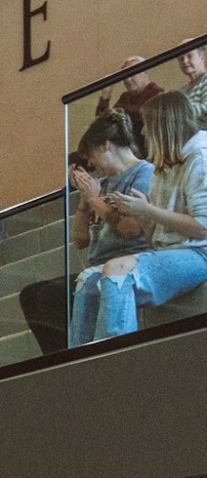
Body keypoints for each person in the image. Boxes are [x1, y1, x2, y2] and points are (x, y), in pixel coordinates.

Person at [78, 92, 207, 343]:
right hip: (171, 252)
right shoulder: (163, 166)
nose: (144, 132)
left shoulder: (200, 158)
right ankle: (78, 370)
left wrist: (147, 211)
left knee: (117, 271)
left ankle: (116, 366)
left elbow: (203, 228)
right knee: (88, 279)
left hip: (201, 253)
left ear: (163, 124)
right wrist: (141, 213)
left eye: (147, 124)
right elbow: (154, 238)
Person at [49, 112, 154, 351]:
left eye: (92, 156)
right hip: (98, 261)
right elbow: (80, 240)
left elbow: (132, 230)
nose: (92, 164)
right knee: (36, 295)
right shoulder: (102, 181)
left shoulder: (142, 173)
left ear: (106, 146)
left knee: (62, 294)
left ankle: (86, 357)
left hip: (126, 260)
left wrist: (95, 200)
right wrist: (85, 202)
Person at [95, 56, 163, 147]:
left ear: (145, 72)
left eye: (132, 73)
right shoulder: (125, 97)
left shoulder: (157, 94)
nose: (127, 79)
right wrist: (105, 95)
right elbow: (104, 125)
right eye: (125, 76)